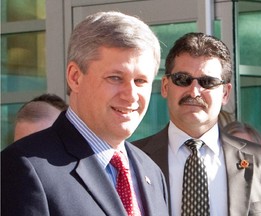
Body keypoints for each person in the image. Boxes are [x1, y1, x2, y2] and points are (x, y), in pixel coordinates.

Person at [1, 11, 169, 216]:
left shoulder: (151, 172)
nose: (131, 95)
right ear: (75, 77)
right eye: (115, 78)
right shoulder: (24, 167)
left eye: (140, 81)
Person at [133, 32, 261, 216]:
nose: (195, 91)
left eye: (208, 82)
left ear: (225, 93)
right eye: (183, 79)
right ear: (165, 86)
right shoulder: (132, 161)